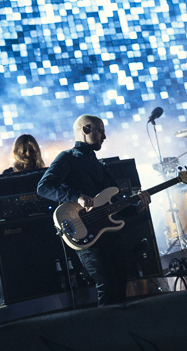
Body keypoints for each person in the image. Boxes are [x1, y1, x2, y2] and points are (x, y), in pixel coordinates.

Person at [36, 114, 150, 306]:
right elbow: (43, 187)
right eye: (100, 131)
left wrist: (137, 207)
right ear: (85, 129)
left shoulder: (101, 165)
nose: (104, 136)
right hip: (87, 233)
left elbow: (114, 204)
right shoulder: (67, 158)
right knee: (107, 288)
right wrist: (77, 197)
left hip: (111, 233)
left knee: (120, 287)